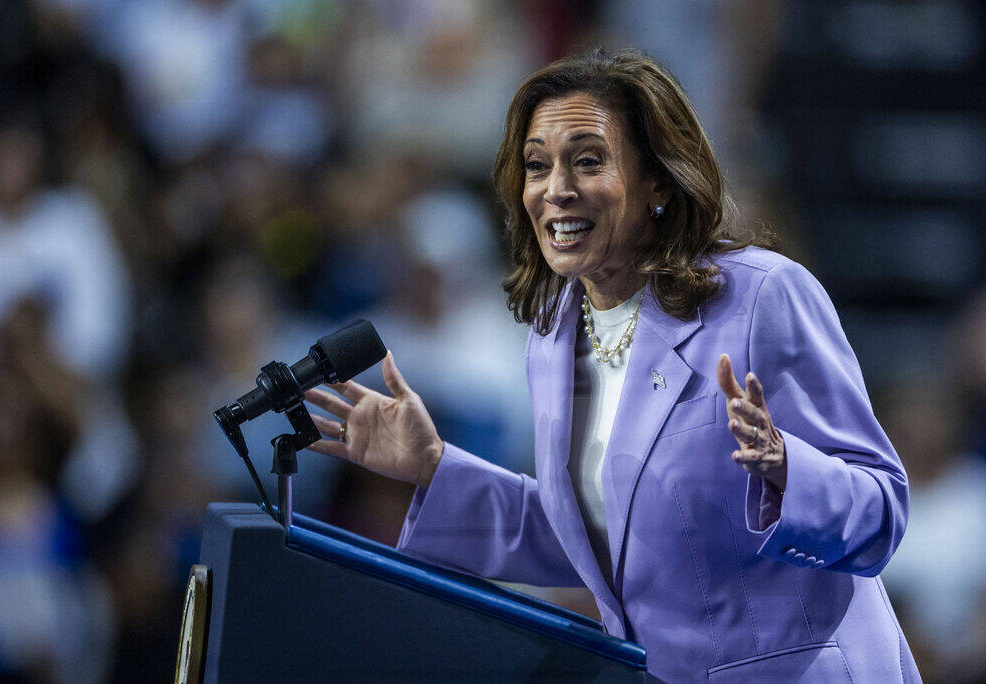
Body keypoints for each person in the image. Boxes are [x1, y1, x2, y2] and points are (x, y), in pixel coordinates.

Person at [305, 49, 919, 683]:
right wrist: (431, 468)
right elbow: (608, 543)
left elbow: (881, 511)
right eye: (537, 166)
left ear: (658, 180)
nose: (556, 189)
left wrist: (788, 468)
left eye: (588, 161)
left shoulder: (760, 296)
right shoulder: (553, 337)